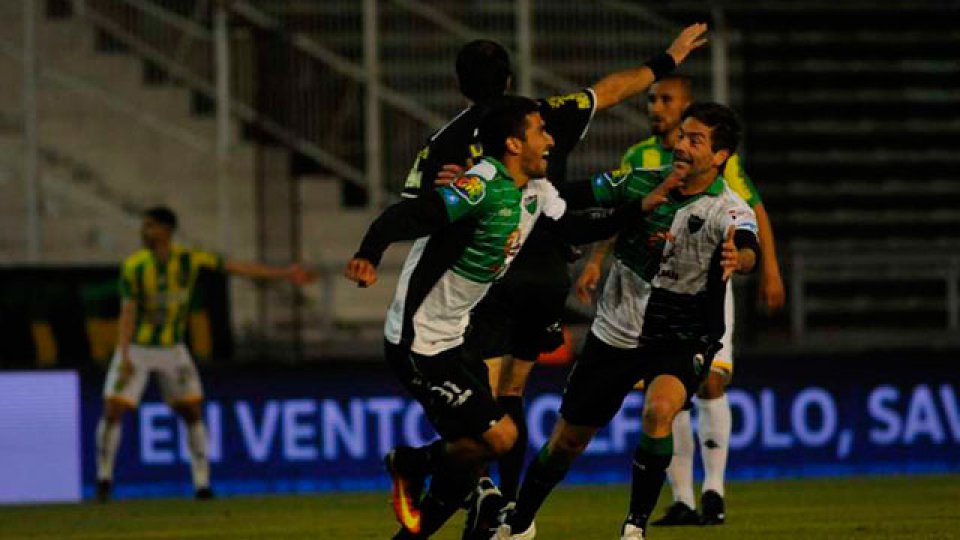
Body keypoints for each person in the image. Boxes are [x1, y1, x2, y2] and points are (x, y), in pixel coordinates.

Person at [400, 26, 708, 537]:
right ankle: (512, 511)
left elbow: (416, 206)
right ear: (510, 77)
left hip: (492, 271)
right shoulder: (542, 115)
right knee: (515, 390)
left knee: (487, 393)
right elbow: (609, 91)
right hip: (546, 272)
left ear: (460, 86)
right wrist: (665, 60)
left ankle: (477, 491)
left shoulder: (447, 138)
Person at [345, 96, 676, 539]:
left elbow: (574, 228)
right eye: (542, 130)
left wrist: (639, 208)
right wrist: (368, 254)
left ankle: (414, 513)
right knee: (500, 439)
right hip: (417, 342)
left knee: (475, 456)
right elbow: (411, 213)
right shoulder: (481, 185)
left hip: (453, 339)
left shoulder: (536, 191)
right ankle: (410, 463)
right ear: (514, 144)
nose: (551, 140)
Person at [494, 102, 761, 540]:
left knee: (660, 410)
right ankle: (519, 521)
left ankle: (635, 527)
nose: (682, 145)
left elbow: (749, 244)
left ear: (719, 156)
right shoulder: (640, 182)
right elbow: (570, 195)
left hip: (681, 334)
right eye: (682, 136)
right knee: (569, 440)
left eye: (696, 140)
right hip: (616, 331)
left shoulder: (726, 208)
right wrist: (518, 183)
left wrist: (741, 257)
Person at [574, 74, 786, 526]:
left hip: (702, 289)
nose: (655, 107)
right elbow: (624, 212)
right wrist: (596, 262)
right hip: (645, 297)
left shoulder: (718, 160)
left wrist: (767, 266)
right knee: (666, 398)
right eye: (651, 99)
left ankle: (714, 491)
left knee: (709, 382)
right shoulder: (639, 157)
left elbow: (752, 210)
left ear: (687, 108)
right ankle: (683, 498)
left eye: (665, 100)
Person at [95, 206, 312, 502]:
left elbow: (237, 268)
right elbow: (128, 312)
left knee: (192, 412)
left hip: (173, 349)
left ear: (166, 230)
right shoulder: (134, 266)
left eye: (150, 226)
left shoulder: (189, 259)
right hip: (137, 348)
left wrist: (284, 273)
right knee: (113, 410)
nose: (144, 232)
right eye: (144, 226)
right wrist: (124, 356)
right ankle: (104, 478)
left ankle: (202, 483)